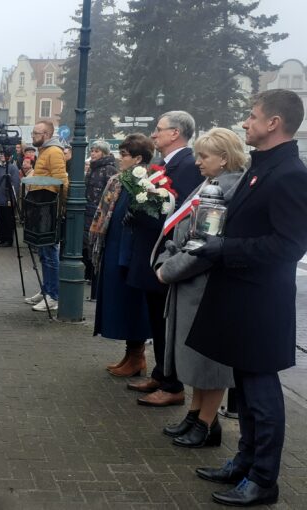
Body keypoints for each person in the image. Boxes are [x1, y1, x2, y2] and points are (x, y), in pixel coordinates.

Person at [188, 90, 307, 507]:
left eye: (252, 117)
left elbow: (289, 245)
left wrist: (225, 249)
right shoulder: (263, 167)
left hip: (262, 303)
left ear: (274, 123)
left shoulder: (290, 174)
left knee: (261, 394)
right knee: (245, 388)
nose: (245, 123)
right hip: (243, 297)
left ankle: (263, 479)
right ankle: (244, 462)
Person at [151, 128, 246, 450]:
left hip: (205, 287)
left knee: (208, 361)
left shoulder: (227, 189)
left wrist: (169, 270)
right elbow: (183, 231)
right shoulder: (211, 183)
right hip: (190, 284)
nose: (198, 162)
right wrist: (166, 258)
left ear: (224, 158)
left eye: (204, 156)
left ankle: (207, 423)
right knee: (193, 357)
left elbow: (205, 245)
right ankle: (195, 414)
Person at [130, 111, 203, 406]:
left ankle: (172, 384)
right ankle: (161, 373)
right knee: (155, 318)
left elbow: (182, 213)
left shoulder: (187, 165)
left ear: (175, 133)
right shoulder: (163, 164)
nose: (154, 134)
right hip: (152, 250)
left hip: (166, 253)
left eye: (159, 129)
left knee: (165, 322)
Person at [89, 134, 154, 370]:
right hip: (114, 245)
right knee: (119, 300)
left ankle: (137, 356)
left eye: (125, 154)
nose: (120, 158)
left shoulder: (146, 182)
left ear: (138, 159)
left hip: (129, 250)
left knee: (131, 302)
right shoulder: (118, 180)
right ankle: (130, 354)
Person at [23, 120, 69, 312]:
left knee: (50, 252)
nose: (33, 136)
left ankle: (53, 296)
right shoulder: (44, 151)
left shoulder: (54, 152)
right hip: (41, 205)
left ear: (47, 135)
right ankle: (47, 290)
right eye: (33, 133)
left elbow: (61, 180)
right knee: (43, 252)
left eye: (36, 133)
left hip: (48, 206)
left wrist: (62, 206)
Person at [84, 140, 118, 299]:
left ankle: (94, 277)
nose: (93, 153)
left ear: (104, 153)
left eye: (96, 151)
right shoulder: (92, 167)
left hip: (99, 211)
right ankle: (89, 274)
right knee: (87, 242)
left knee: (94, 244)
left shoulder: (109, 169)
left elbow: (110, 193)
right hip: (88, 209)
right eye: (92, 150)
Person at [0, 151, 20, 248]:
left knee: (8, 220)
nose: (3, 156)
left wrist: (11, 199)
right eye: (1, 154)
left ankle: (8, 240)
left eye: (5, 155)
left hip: (7, 199)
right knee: (0, 219)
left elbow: (15, 184)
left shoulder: (13, 168)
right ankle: (1, 238)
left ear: (9, 157)